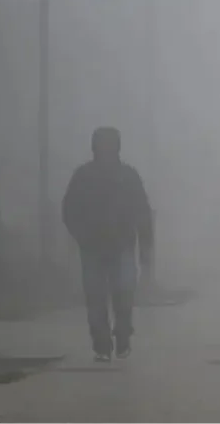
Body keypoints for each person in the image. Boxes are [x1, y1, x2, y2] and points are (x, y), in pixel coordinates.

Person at [62, 126, 154, 361]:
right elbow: (69, 209)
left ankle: (122, 337)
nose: (106, 148)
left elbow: (142, 212)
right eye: (102, 143)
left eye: (110, 143)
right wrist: (81, 235)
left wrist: (146, 249)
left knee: (124, 294)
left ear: (117, 146)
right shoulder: (83, 176)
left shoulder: (128, 177)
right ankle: (101, 344)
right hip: (92, 246)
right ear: (94, 146)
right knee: (95, 298)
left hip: (122, 245)